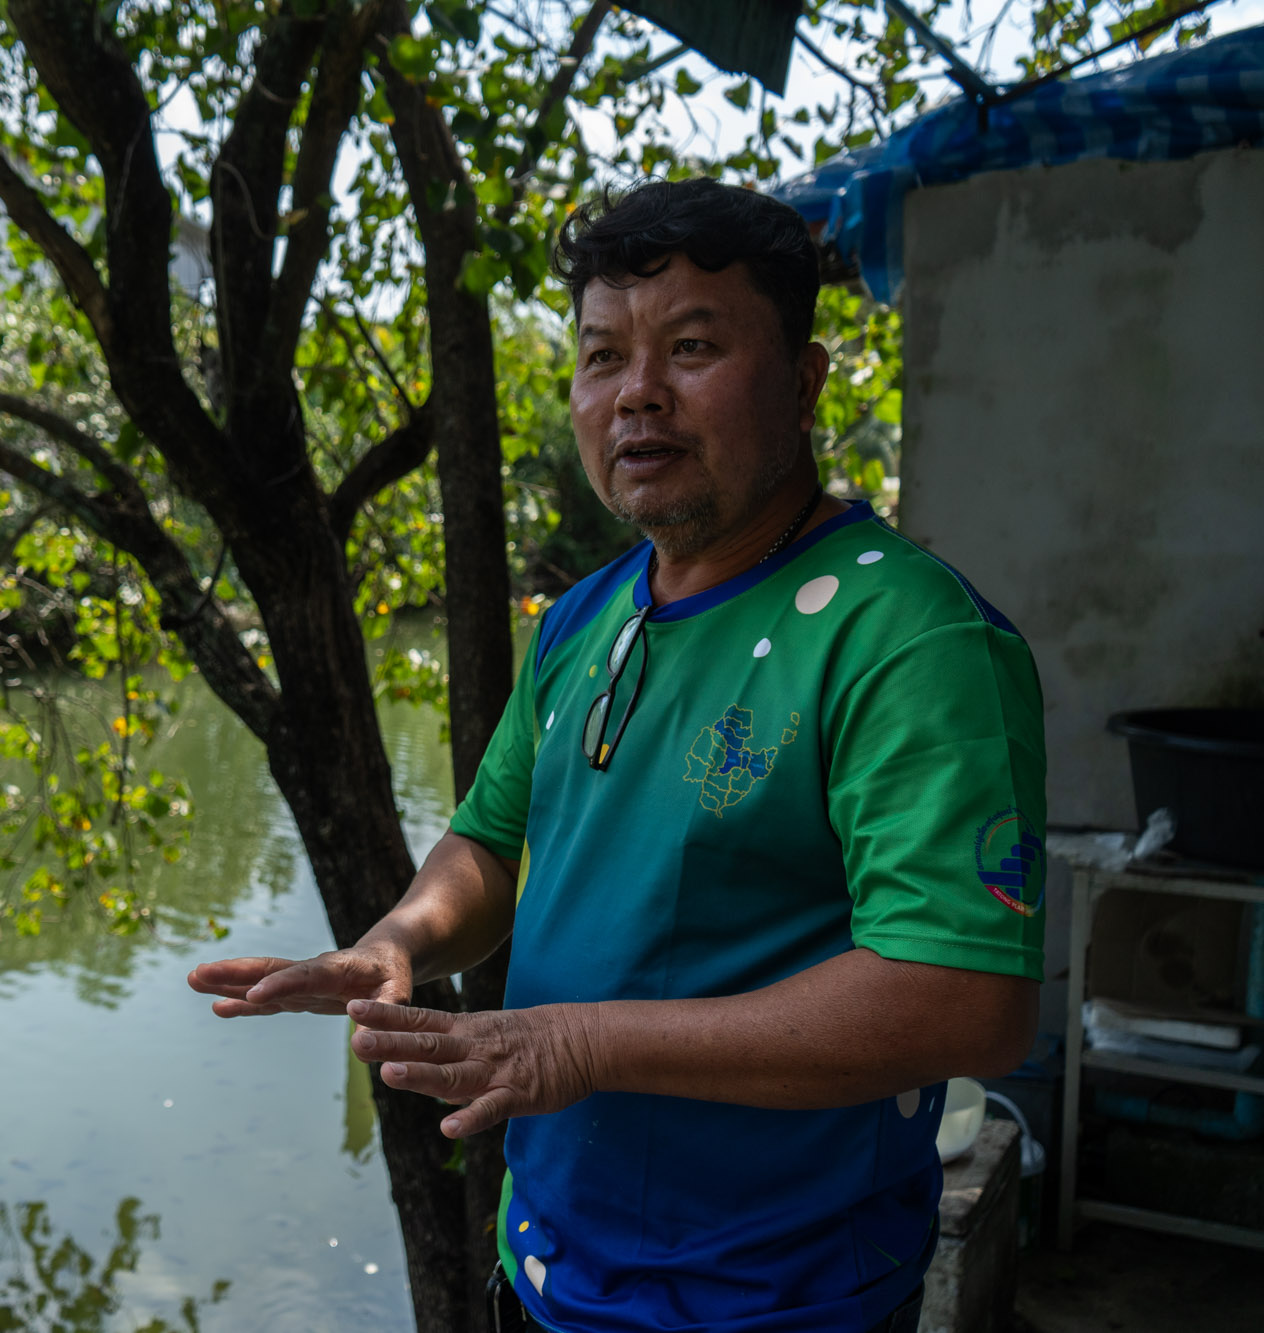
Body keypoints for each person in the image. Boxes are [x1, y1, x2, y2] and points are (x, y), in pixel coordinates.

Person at [188, 177, 1047, 1333]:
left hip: (771, 1302)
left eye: (690, 346)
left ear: (801, 381)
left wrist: (580, 1042)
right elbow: (493, 842)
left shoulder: (907, 635)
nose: (636, 393)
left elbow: (963, 999)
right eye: (601, 358)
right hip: (545, 1268)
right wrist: (393, 944)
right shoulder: (584, 617)